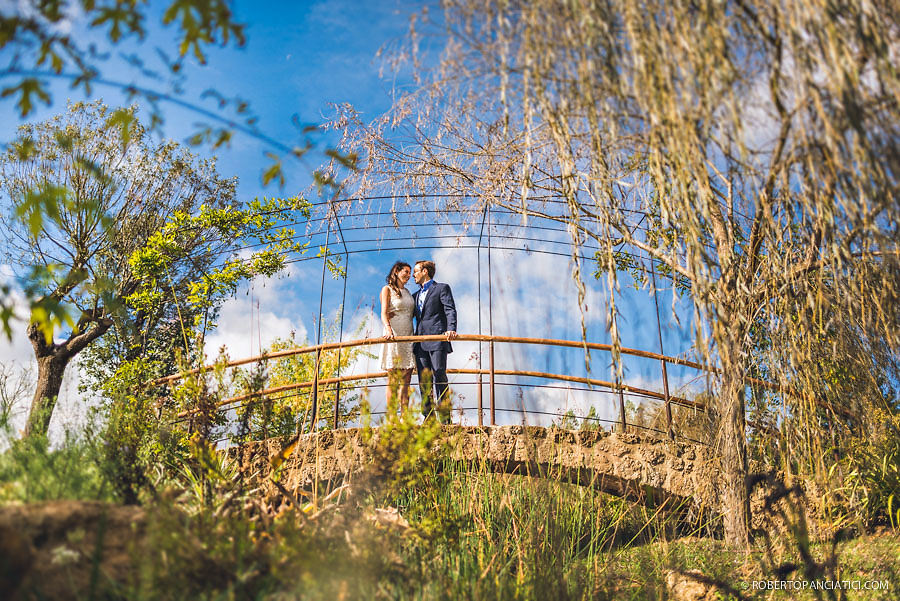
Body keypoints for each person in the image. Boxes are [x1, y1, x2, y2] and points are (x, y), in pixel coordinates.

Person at [411, 260, 457, 423]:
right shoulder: (414, 296)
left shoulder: (441, 288)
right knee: (424, 381)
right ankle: (428, 418)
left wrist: (451, 328)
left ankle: (445, 418)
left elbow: (449, 309)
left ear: (425, 271)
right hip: (420, 343)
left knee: (439, 375)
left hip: (437, 339)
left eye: (416, 271)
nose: (413, 275)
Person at [379, 261, 415, 412]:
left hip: (408, 334)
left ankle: (404, 416)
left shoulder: (407, 293)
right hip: (394, 333)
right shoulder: (387, 289)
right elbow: (383, 313)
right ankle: (392, 416)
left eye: (410, 272)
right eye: (405, 272)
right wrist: (388, 329)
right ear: (396, 272)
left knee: (406, 379)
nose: (408, 275)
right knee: (393, 379)